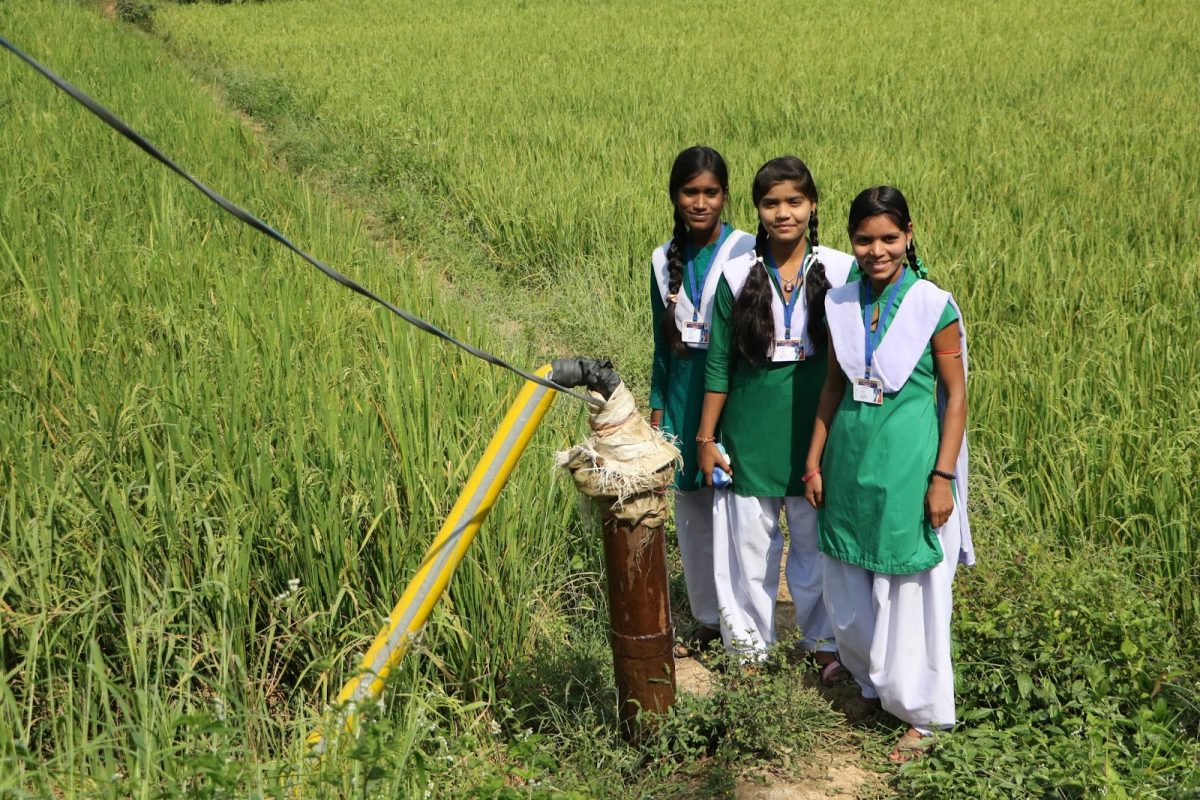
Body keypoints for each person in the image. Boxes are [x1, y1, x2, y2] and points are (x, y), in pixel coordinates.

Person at [803, 186, 973, 763]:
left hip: (908, 467)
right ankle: (874, 685)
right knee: (850, 578)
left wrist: (942, 477)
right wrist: (813, 460)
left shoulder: (933, 306)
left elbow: (955, 399)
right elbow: (832, 386)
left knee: (909, 588)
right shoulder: (842, 302)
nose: (877, 250)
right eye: (864, 239)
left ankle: (921, 715)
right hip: (849, 462)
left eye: (889, 238)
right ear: (851, 240)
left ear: (908, 235)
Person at [695, 156, 854, 666]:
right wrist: (705, 440)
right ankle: (748, 650)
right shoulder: (737, 274)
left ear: (813, 205)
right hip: (751, 428)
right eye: (771, 203)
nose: (783, 213)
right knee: (748, 548)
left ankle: (825, 643)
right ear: (756, 209)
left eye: (794, 202)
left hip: (817, 428)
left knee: (815, 546)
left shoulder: (842, 270)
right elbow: (718, 366)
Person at [650, 145, 756, 657]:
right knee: (691, 513)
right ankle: (709, 618)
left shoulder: (748, 250)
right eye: (690, 192)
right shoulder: (659, 259)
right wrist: (657, 417)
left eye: (710, 192)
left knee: (734, 513)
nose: (700, 202)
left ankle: (746, 629)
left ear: (725, 195)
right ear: (675, 196)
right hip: (680, 399)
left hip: (732, 400)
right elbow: (660, 344)